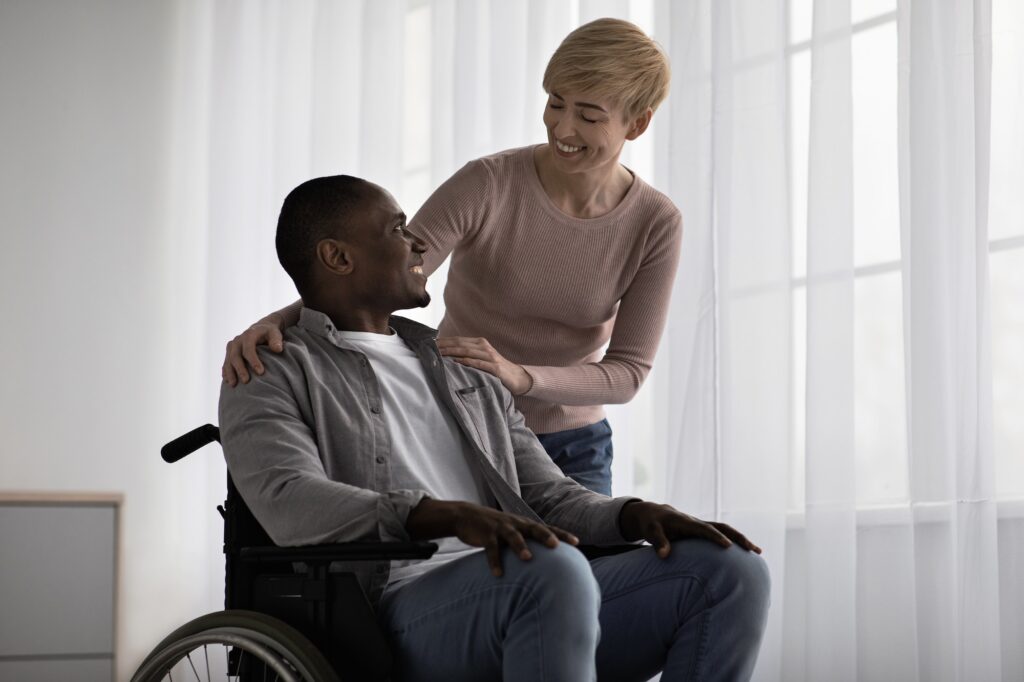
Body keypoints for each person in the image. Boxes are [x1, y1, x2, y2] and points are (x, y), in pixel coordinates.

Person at [219, 175, 770, 681]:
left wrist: (635, 515)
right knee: (551, 571)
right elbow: (290, 500)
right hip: (392, 611)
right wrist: (438, 514)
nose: (418, 243)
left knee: (729, 571)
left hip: (531, 587)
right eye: (397, 228)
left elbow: (548, 496)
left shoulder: (463, 368)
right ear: (337, 257)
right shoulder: (270, 371)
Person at [221, 18, 682, 496]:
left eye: (589, 116)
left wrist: (521, 378)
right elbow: (383, 273)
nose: (562, 127)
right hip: (465, 422)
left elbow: (627, 373)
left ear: (638, 122)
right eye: (555, 103)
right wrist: (275, 322)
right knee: (486, 568)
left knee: (589, 570)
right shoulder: (490, 182)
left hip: (575, 445)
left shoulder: (655, 223)